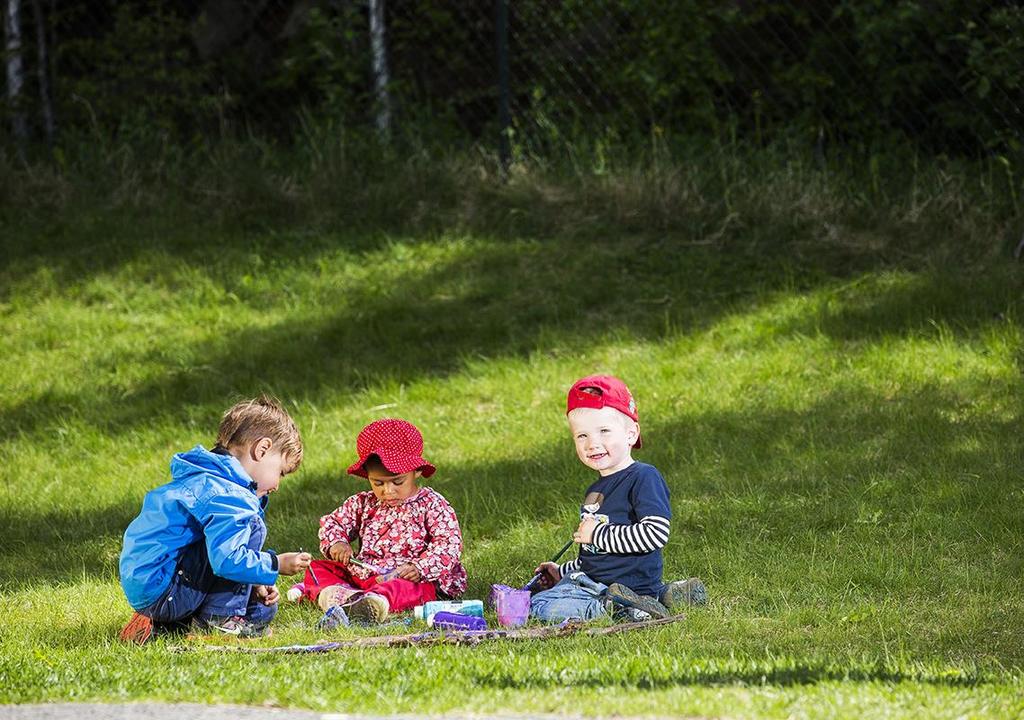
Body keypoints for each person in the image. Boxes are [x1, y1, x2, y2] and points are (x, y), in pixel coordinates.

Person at [117, 395, 311, 643]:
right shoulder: (230, 495)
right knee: (251, 527)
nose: (277, 486)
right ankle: (220, 621)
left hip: (150, 588)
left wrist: (253, 582)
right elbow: (227, 560)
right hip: (167, 590)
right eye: (280, 472)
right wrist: (274, 564)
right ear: (262, 449)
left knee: (262, 609)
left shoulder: (204, 478)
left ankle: (168, 627)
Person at [530, 375, 707, 622]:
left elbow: (655, 534)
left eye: (604, 431)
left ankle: (617, 608)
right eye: (582, 436)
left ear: (631, 434)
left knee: (540, 605)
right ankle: (663, 596)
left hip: (618, 586)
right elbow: (595, 556)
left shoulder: (644, 477)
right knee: (552, 590)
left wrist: (597, 534)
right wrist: (560, 571)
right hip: (598, 582)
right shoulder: (595, 490)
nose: (592, 443)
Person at [302, 418, 466, 626]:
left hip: (409, 577)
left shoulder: (432, 504)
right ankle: (338, 597)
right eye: (378, 483)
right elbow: (334, 523)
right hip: (366, 572)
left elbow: (447, 544)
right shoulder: (364, 503)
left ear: (416, 471)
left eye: (398, 481)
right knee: (318, 568)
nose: (387, 491)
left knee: (409, 589)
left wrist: (419, 568)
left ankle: (374, 603)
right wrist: (338, 543)